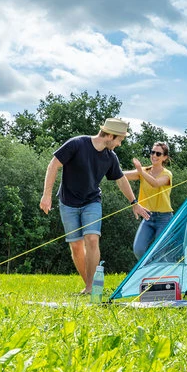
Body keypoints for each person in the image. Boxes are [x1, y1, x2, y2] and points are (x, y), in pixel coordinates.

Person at [39, 118, 150, 294]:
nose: (119, 144)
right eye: (120, 140)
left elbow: (121, 179)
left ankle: (92, 287)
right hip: (68, 202)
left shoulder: (110, 157)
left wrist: (134, 203)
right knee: (76, 246)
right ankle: (89, 286)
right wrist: (47, 195)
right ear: (110, 136)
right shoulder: (77, 144)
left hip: (92, 202)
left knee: (92, 239)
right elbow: (53, 165)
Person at [124, 142, 173, 259]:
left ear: (164, 157)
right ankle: (150, 268)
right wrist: (108, 167)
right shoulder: (144, 171)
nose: (154, 155)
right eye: (152, 152)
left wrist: (141, 172)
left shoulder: (167, 174)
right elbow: (122, 175)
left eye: (158, 154)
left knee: (159, 253)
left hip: (164, 218)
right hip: (148, 217)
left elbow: (155, 183)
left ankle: (158, 268)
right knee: (139, 250)